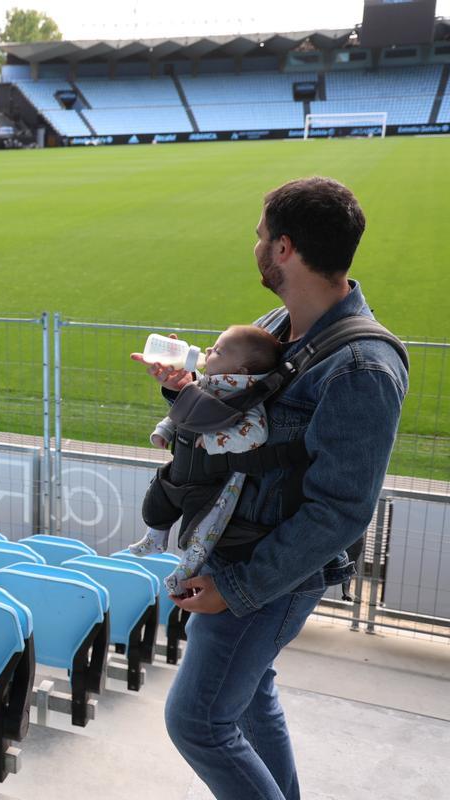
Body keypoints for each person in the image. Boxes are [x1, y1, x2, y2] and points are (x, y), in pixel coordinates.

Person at [133, 177, 408, 800]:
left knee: (198, 721)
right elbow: (234, 417)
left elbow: (340, 511)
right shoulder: (278, 325)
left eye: (260, 235)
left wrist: (236, 587)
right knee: (252, 698)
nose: (253, 244)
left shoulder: (363, 366)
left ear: (283, 248)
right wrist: (182, 389)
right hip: (237, 558)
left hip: (265, 574)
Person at [129, 324, 282, 596]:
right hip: (183, 467)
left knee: (200, 529)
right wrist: (164, 430)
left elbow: (255, 434)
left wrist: (213, 441)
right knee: (159, 494)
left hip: (213, 483)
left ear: (241, 371)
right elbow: (182, 411)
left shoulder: (246, 396)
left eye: (219, 351)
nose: (209, 350)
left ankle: (185, 571)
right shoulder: (205, 382)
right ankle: (155, 536)